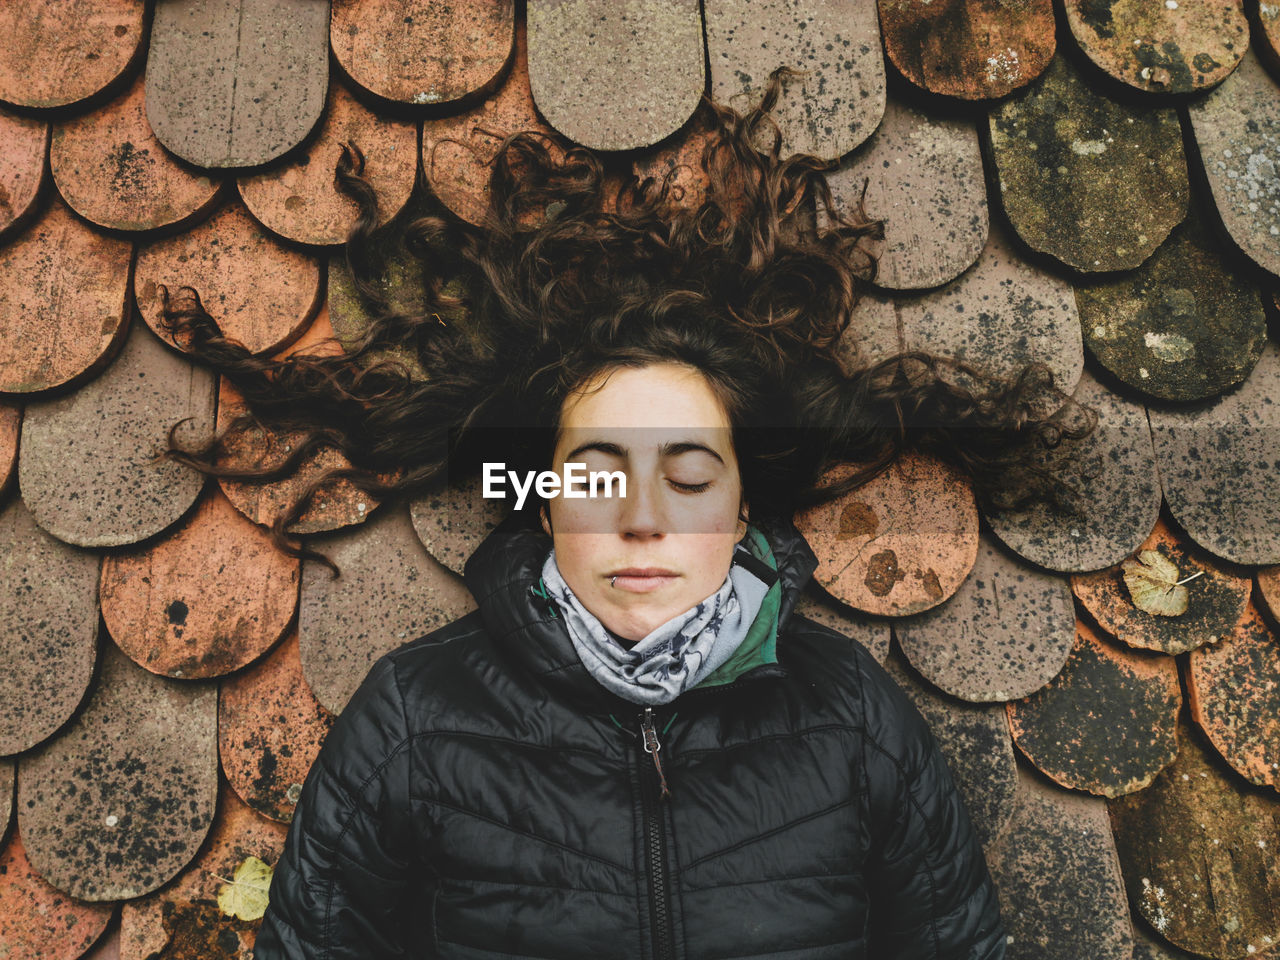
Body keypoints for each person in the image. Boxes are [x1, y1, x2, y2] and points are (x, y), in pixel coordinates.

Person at [160, 76, 1094, 959]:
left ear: (739, 516)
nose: (642, 519)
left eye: (689, 479)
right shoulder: (415, 721)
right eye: (599, 476)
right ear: (546, 502)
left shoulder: (851, 718)